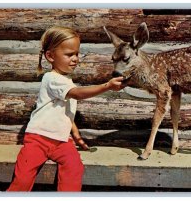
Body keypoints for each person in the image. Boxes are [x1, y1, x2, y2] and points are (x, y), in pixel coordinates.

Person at [7, 26, 125, 192]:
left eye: (77, 53)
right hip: (38, 139)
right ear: (50, 56)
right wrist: (107, 86)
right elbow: (77, 94)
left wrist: (75, 134)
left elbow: (64, 112)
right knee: (24, 177)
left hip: (61, 141)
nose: (75, 58)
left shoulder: (66, 80)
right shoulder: (51, 78)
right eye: (69, 54)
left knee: (74, 167)